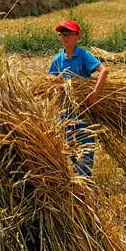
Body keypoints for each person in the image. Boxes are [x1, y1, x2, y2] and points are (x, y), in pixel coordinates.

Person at [48, 19, 108, 177]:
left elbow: (104, 71)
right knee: (69, 150)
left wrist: (95, 92)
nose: (65, 37)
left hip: (82, 112)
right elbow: (50, 84)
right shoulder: (57, 60)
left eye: (69, 34)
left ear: (77, 37)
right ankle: (79, 181)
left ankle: (85, 183)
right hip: (64, 114)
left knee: (86, 149)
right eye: (63, 34)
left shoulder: (83, 55)